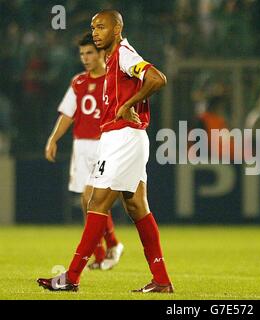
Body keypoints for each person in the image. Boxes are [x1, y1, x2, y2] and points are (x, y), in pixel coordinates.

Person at [38, 10, 173, 293]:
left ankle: (71, 277)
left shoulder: (124, 54)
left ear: (117, 30)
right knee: (137, 206)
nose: (96, 31)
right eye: (93, 27)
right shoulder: (112, 59)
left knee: (96, 203)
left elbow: (157, 78)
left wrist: (128, 104)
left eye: (102, 27)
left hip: (123, 137)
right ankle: (161, 279)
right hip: (125, 138)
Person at [45, 33, 123, 270]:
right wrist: (53, 139)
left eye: (89, 53)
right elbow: (68, 114)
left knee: (92, 196)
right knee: (85, 200)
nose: (85, 58)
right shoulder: (78, 82)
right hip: (82, 146)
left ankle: (109, 249)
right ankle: (104, 251)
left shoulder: (115, 80)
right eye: (82, 54)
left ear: (101, 53)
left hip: (106, 144)